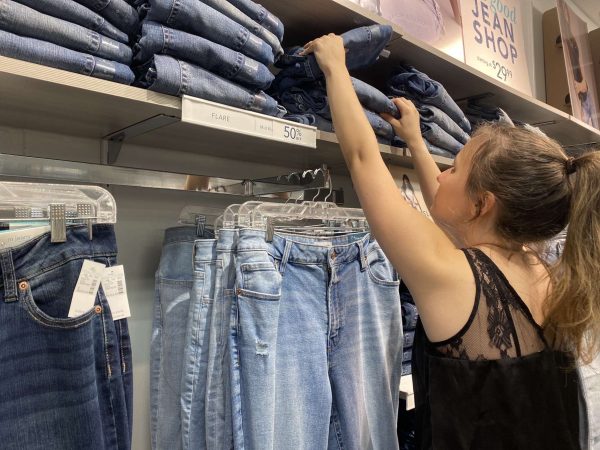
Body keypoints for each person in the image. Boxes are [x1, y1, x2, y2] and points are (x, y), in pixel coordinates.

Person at [301, 34, 600, 449]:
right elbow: (450, 212)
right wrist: (417, 142)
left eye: (454, 168)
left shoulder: (451, 276)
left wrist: (335, 68)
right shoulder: (539, 269)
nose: (442, 175)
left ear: (482, 204)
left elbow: (363, 159)